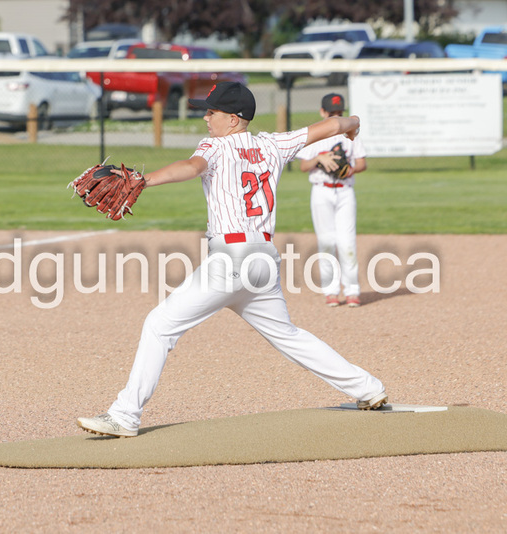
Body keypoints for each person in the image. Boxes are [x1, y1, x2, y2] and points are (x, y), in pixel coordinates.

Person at [76, 82, 388, 438]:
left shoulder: (215, 146)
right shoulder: (274, 143)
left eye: (213, 112)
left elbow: (191, 167)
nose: (206, 118)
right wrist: (353, 122)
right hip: (264, 261)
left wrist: (143, 180)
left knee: (159, 325)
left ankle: (125, 416)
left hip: (231, 260)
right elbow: (332, 127)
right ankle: (368, 388)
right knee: (288, 335)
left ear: (235, 119)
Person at [296, 93, 367, 307]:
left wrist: (350, 170)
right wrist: (319, 159)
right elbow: (303, 166)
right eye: (331, 113)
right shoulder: (314, 135)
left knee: (347, 242)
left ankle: (352, 289)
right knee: (327, 241)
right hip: (321, 192)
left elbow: (362, 163)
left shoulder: (350, 134)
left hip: (345, 191)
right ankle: (331, 290)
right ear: (322, 112)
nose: (335, 117)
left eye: (339, 113)